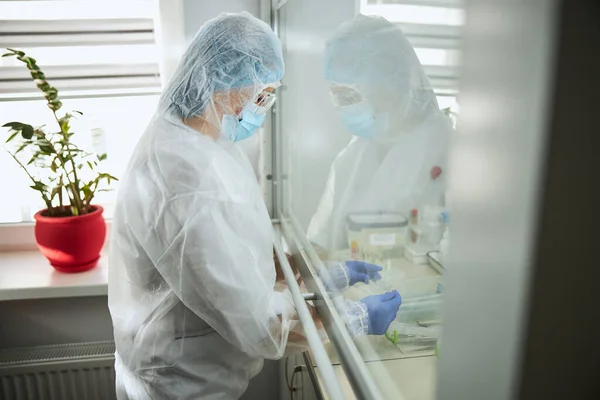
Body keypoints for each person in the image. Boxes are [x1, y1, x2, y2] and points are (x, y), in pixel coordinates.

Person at [108, 12, 400, 400]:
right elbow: (258, 326)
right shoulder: (187, 180)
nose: (266, 105)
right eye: (262, 93)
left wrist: (314, 275)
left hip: (185, 366)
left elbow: (233, 259)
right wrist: (354, 318)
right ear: (225, 85)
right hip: (183, 385)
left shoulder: (197, 142)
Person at [307, 14, 452, 256]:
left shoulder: (448, 151)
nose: (342, 107)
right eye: (338, 96)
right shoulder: (357, 151)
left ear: (392, 83)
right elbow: (330, 232)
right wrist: (309, 260)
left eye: (350, 96)